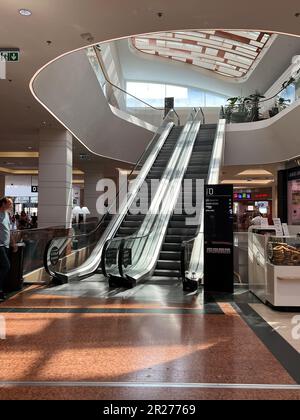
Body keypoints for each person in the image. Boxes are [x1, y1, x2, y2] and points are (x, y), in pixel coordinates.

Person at [0, 197, 17, 302]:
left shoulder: (7, 214)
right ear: (3, 203)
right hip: (0, 245)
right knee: (6, 266)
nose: (11, 205)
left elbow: (9, 230)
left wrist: (13, 243)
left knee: (3, 267)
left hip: (6, 245)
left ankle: (1, 289)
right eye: (10, 203)